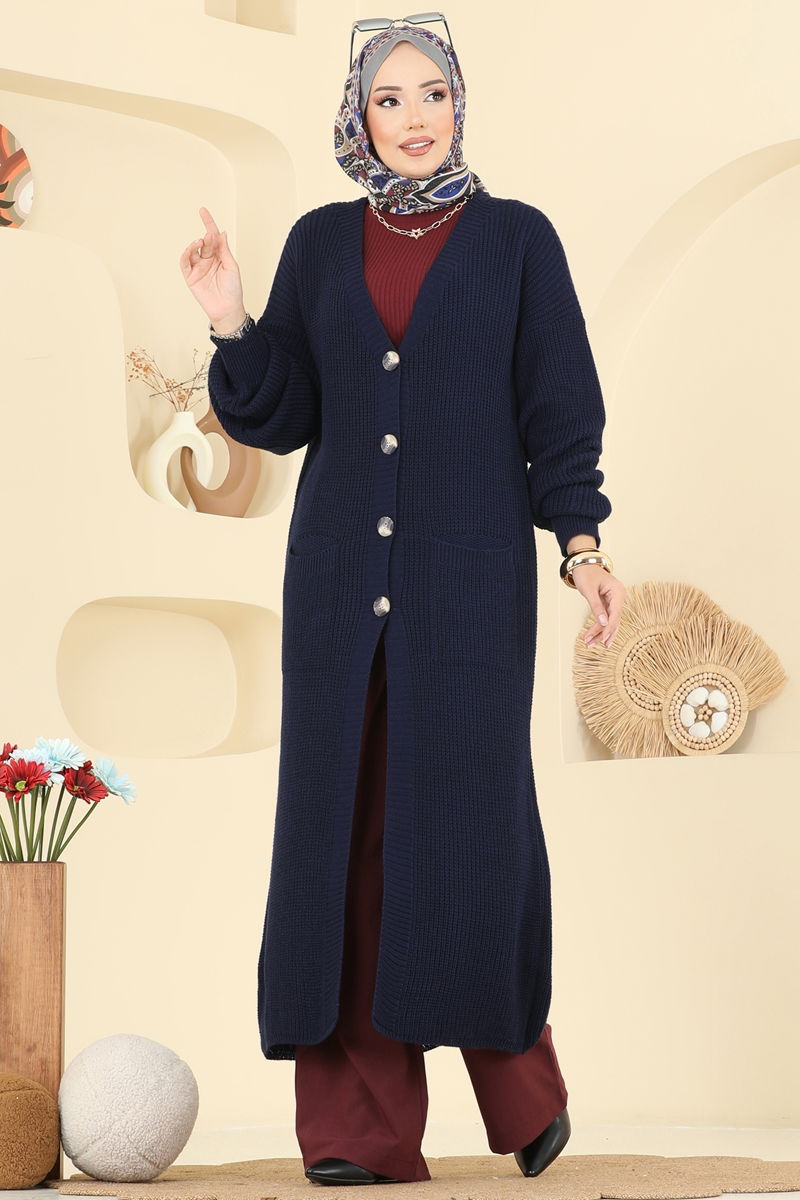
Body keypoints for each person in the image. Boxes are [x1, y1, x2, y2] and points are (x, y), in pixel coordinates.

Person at [179, 15, 626, 1187]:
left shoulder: (517, 240)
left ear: (459, 103)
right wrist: (229, 317)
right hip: (338, 587)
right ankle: (357, 1130)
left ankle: (518, 1081)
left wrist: (581, 548)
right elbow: (281, 415)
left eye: (432, 93)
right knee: (341, 840)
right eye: (389, 98)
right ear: (359, 116)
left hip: (469, 587)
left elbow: (558, 412)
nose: (414, 117)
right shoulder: (321, 243)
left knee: (467, 832)